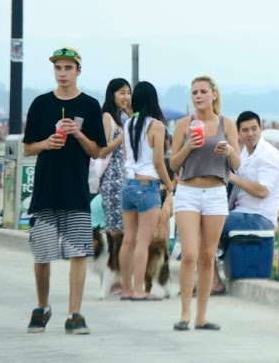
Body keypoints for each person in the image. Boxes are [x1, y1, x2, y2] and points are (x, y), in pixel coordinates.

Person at [23, 47, 106, 334]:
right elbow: (27, 147)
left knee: (78, 253)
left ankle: (75, 313)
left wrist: (78, 133)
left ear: (78, 71)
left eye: (68, 68)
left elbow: (97, 151)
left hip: (76, 191)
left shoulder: (90, 105)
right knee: (42, 255)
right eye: (58, 68)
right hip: (46, 189)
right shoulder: (41, 104)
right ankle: (42, 306)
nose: (62, 73)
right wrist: (47, 143)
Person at [169, 75, 240, 331]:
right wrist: (188, 146)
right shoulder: (183, 124)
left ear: (214, 94)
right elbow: (173, 164)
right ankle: (184, 314)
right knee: (189, 254)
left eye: (202, 92)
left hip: (215, 192)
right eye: (194, 93)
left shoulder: (226, 124)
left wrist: (229, 151)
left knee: (208, 256)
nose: (198, 96)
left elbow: (237, 164)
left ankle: (201, 316)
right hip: (188, 191)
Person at [212, 111, 279, 293]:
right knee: (203, 220)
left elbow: (262, 191)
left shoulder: (268, 155)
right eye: (245, 130)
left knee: (207, 225)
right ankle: (210, 279)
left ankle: (214, 282)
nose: (250, 134)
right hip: (242, 214)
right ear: (238, 133)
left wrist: (232, 177)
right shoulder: (244, 154)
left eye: (254, 129)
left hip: (258, 218)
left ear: (261, 128)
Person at [119, 81, 170, 301]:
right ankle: (139, 290)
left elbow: (126, 156)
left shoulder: (128, 123)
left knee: (128, 240)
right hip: (147, 185)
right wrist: (169, 184)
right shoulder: (156, 125)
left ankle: (126, 288)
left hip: (128, 184)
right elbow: (158, 162)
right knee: (143, 241)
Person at [96, 77, 131, 287]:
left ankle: (119, 276)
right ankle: (114, 277)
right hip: (112, 178)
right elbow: (101, 150)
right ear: (112, 95)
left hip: (123, 176)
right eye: (122, 93)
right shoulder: (107, 117)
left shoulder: (123, 117)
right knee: (115, 230)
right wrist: (122, 136)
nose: (126, 97)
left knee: (123, 229)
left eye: (128, 92)